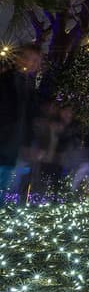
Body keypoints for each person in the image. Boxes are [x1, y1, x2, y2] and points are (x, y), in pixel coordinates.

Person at [0, 44, 41, 206]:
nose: (34, 63)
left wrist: (29, 142)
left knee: (4, 183)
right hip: (4, 138)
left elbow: (29, 118)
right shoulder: (5, 80)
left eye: (37, 60)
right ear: (19, 58)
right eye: (31, 59)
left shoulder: (28, 85)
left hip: (14, 143)